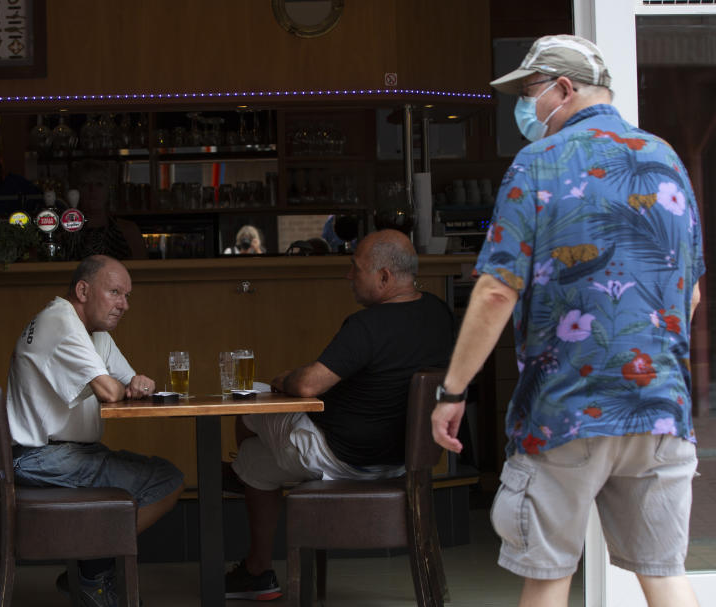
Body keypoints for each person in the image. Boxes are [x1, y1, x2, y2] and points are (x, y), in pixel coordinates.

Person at [430, 35, 703, 607]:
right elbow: (693, 293)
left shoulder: (538, 163)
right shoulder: (667, 158)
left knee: (550, 574)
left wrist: (453, 390)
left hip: (566, 405)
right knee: (664, 574)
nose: (524, 108)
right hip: (658, 406)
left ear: (562, 88)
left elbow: (495, 293)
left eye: (529, 91)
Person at [224, 229, 454, 600]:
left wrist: (283, 378)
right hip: (404, 462)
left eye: (355, 268)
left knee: (249, 407)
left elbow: (308, 385)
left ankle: (256, 558)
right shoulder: (439, 314)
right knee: (256, 460)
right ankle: (252, 485)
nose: (348, 276)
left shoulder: (366, 327)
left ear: (383, 278)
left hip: (340, 455)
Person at [6, 254, 184, 607]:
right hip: (41, 458)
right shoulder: (60, 323)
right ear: (83, 290)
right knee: (166, 482)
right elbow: (110, 391)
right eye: (116, 292)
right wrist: (125, 386)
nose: (125, 305)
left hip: (69, 454)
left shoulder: (93, 334)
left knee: (164, 477)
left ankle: (89, 569)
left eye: (127, 295)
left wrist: (138, 383)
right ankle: (92, 573)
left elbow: (131, 383)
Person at [69, 160, 147, 260]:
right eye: (85, 184)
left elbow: (142, 269)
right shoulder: (67, 233)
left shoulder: (128, 231)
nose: (92, 190)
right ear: (75, 191)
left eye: (99, 184)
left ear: (108, 190)